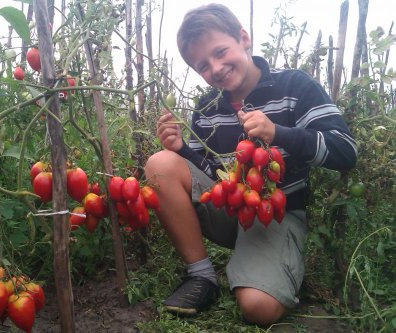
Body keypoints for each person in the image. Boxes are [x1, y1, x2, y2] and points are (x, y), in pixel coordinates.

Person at [144, 3, 357, 326]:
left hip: (277, 214)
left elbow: (345, 151)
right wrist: (182, 150)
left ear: (243, 38)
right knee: (160, 163)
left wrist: (278, 133)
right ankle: (202, 276)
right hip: (235, 208)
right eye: (203, 65)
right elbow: (214, 171)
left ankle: (265, 266)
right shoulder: (208, 107)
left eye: (220, 52)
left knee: (258, 308)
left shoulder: (294, 86)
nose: (215, 67)